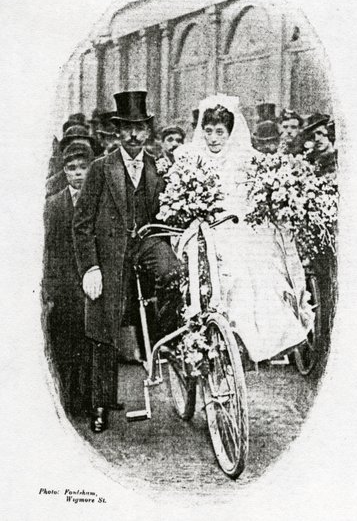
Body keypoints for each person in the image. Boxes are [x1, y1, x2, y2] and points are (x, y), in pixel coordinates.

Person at [176, 95, 314, 363]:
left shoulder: (246, 159)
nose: (213, 139)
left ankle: (254, 341)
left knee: (257, 271)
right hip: (203, 231)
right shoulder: (190, 159)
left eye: (219, 132)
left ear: (230, 132)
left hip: (238, 231)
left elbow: (256, 199)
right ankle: (223, 337)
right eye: (208, 132)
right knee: (230, 273)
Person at [73, 90, 180, 433]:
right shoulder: (101, 169)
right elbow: (82, 223)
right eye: (127, 129)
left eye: (140, 129)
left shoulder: (158, 167)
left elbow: (169, 214)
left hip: (146, 244)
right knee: (105, 330)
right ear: (117, 132)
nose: (133, 136)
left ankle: (168, 341)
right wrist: (90, 266)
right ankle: (101, 404)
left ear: (148, 132)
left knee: (176, 274)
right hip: (109, 255)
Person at [43, 141, 94, 416]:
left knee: (89, 344)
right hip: (63, 286)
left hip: (91, 283)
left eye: (83, 168)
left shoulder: (100, 202)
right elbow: (49, 250)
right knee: (64, 344)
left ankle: (89, 399)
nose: (78, 174)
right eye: (71, 168)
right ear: (64, 171)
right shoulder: (53, 206)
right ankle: (66, 398)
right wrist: (49, 290)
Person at [45, 124, 97, 198]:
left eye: (85, 147)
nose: (81, 151)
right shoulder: (54, 184)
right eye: (75, 148)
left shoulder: (102, 176)